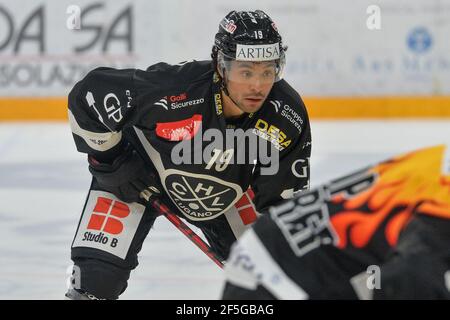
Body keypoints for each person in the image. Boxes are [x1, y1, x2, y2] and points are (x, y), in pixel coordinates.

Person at [65, 10, 312, 300]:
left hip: (226, 196)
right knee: (94, 287)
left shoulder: (287, 116)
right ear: (221, 66)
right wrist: (113, 162)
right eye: (246, 72)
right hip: (136, 177)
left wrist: (279, 270)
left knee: (275, 278)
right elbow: (87, 97)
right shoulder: (173, 90)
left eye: (267, 71)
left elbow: (283, 206)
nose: (257, 86)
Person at [222, 144, 450, 299]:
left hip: (278, 254)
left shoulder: (441, 166)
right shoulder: (443, 198)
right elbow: (407, 278)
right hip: (277, 278)